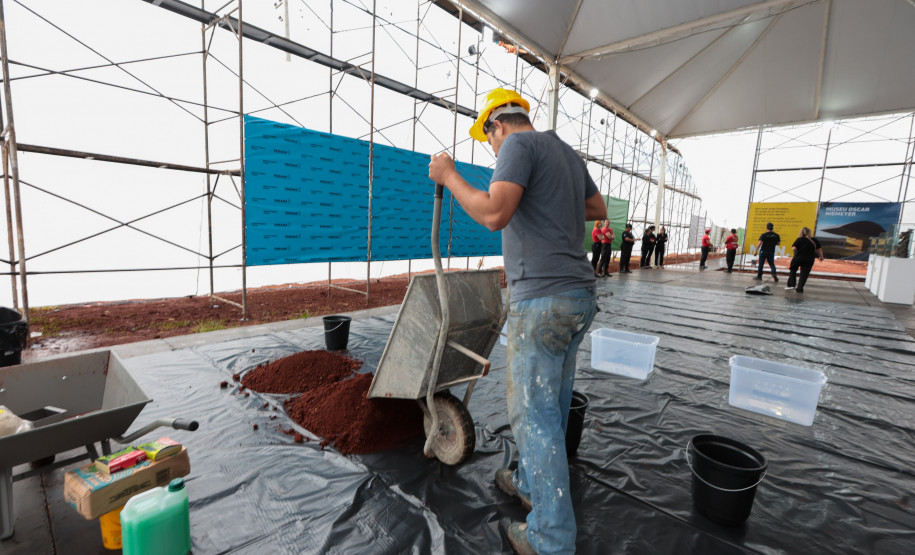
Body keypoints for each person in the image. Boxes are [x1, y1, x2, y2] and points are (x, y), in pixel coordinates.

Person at [428, 87, 604, 555]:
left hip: (542, 299)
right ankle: (528, 481)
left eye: (489, 141)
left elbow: (493, 212)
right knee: (553, 403)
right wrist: (548, 203)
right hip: (578, 296)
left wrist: (448, 174)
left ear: (497, 125)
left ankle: (550, 538)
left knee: (534, 418)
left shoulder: (518, 145)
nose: (492, 149)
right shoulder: (564, 153)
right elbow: (596, 209)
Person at [786, 227, 824, 293]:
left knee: (793, 269)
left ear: (801, 232)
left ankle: (792, 285)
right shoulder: (814, 240)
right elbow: (819, 249)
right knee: (804, 274)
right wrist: (821, 257)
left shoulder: (799, 239)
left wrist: (795, 252)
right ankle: (800, 288)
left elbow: (794, 247)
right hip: (809, 259)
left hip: (798, 258)